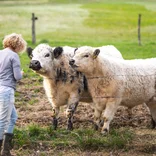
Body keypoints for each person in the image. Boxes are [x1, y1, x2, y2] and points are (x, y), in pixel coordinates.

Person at [0, 33, 27, 156]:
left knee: (13, 117)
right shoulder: (14, 56)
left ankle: (6, 150)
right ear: (18, 45)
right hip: (6, 90)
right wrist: (21, 73)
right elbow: (17, 77)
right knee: (3, 121)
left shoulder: (0, 53)